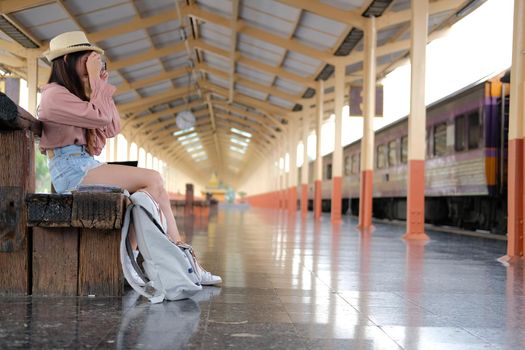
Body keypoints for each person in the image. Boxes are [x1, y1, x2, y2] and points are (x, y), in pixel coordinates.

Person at [38, 31, 221, 286]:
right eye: (88, 59)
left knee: (145, 195)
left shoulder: (75, 95)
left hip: (84, 165)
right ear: (68, 59)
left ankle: (141, 263)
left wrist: (100, 85)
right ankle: (178, 261)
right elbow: (101, 119)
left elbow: (112, 128)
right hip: (71, 170)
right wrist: (96, 82)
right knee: (154, 179)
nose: (94, 63)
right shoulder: (54, 95)